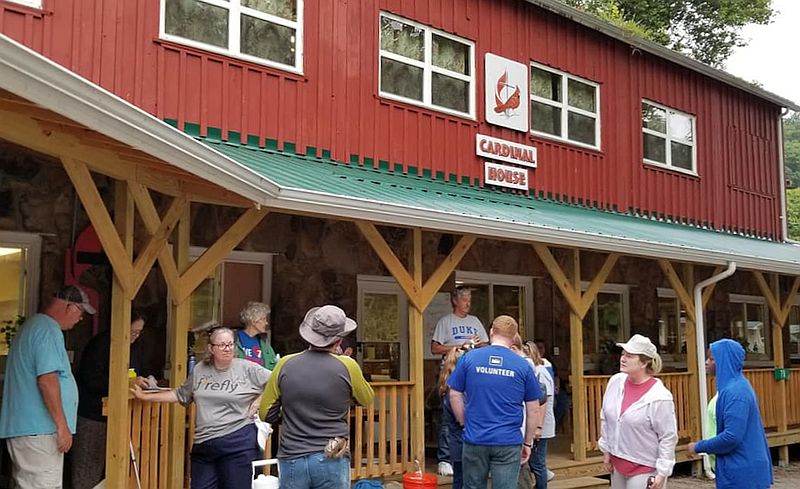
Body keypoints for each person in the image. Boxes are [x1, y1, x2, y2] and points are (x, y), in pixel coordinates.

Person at [131, 327, 270, 489]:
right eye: (222, 345)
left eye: (231, 344)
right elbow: (181, 395)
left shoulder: (247, 368)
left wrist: (259, 401)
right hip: (204, 445)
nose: (228, 349)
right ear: (211, 348)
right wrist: (146, 396)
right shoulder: (200, 370)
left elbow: (278, 380)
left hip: (237, 442)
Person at [259, 305, 375, 489]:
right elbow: (367, 399)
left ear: (309, 334)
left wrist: (289, 415)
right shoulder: (348, 366)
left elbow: (265, 413)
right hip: (332, 455)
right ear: (338, 340)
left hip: (292, 456)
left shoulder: (284, 364)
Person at [0, 285, 94, 489]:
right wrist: (62, 426)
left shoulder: (33, 326)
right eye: (81, 312)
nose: (81, 319)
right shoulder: (47, 330)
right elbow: (47, 380)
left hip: (30, 430)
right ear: (70, 307)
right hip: (39, 432)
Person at [448, 315, 542, 489]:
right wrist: (528, 442)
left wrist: (463, 422)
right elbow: (534, 408)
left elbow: (454, 393)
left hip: (475, 437)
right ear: (514, 336)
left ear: (491, 332)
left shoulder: (470, 358)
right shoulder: (523, 366)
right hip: (508, 441)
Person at [72, 309, 150, 489]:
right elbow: (91, 379)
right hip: (94, 415)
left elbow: (137, 371)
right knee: (88, 468)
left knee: (115, 470)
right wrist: (125, 382)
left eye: (139, 333)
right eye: (132, 332)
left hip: (121, 416)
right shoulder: (100, 344)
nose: (135, 336)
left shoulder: (135, 347)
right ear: (121, 326)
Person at [688, 339, 773, 489]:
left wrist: (698, 447)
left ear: (724, 361)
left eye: (712, 359)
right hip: (737, 470)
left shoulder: (736, 393)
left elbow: (732, 437)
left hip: (744, 474)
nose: (706, 362)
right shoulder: (732, 387)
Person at [598, 334, 677, 489]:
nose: (623, 359)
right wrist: (606, 451)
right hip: (617, 463)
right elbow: (605, 418)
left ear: (644, 362)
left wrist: (662, 472)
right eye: (623, 354)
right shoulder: (615, 382)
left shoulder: (659, 396)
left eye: (630, 356)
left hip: (645, 466)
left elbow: (667, 436)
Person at [431, 287, 489, 476]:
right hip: (451, 372)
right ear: (455, 301)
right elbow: (435, 348)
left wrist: (475, 346)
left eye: (470, 299)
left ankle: (471, 453)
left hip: (474, 374)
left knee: (472, 413)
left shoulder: (475, 321)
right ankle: (445, 458)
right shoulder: (445, 322)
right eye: (464, 299)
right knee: (448, 416)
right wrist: (460, 346)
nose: (468, 303)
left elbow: (486, 344)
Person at [525, 341, 555, 489]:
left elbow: (543, 401)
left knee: (538, 463)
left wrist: (538, 427)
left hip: (542, 425)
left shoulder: (540, 372)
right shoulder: (536, 371)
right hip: (537, 423)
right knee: (535, 462)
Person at [439, 347, 467, 489]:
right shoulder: (456, 389)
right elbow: (461, 416)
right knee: (463, 479)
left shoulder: (447, 384)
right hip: (463, 439)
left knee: (459, 478)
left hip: (455, 441)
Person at [234, 301, 279, 370]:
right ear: (253, 321)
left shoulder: (264, 342)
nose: (266, 323)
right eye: (263, 319)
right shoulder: (234, 339)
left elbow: (273, 364)